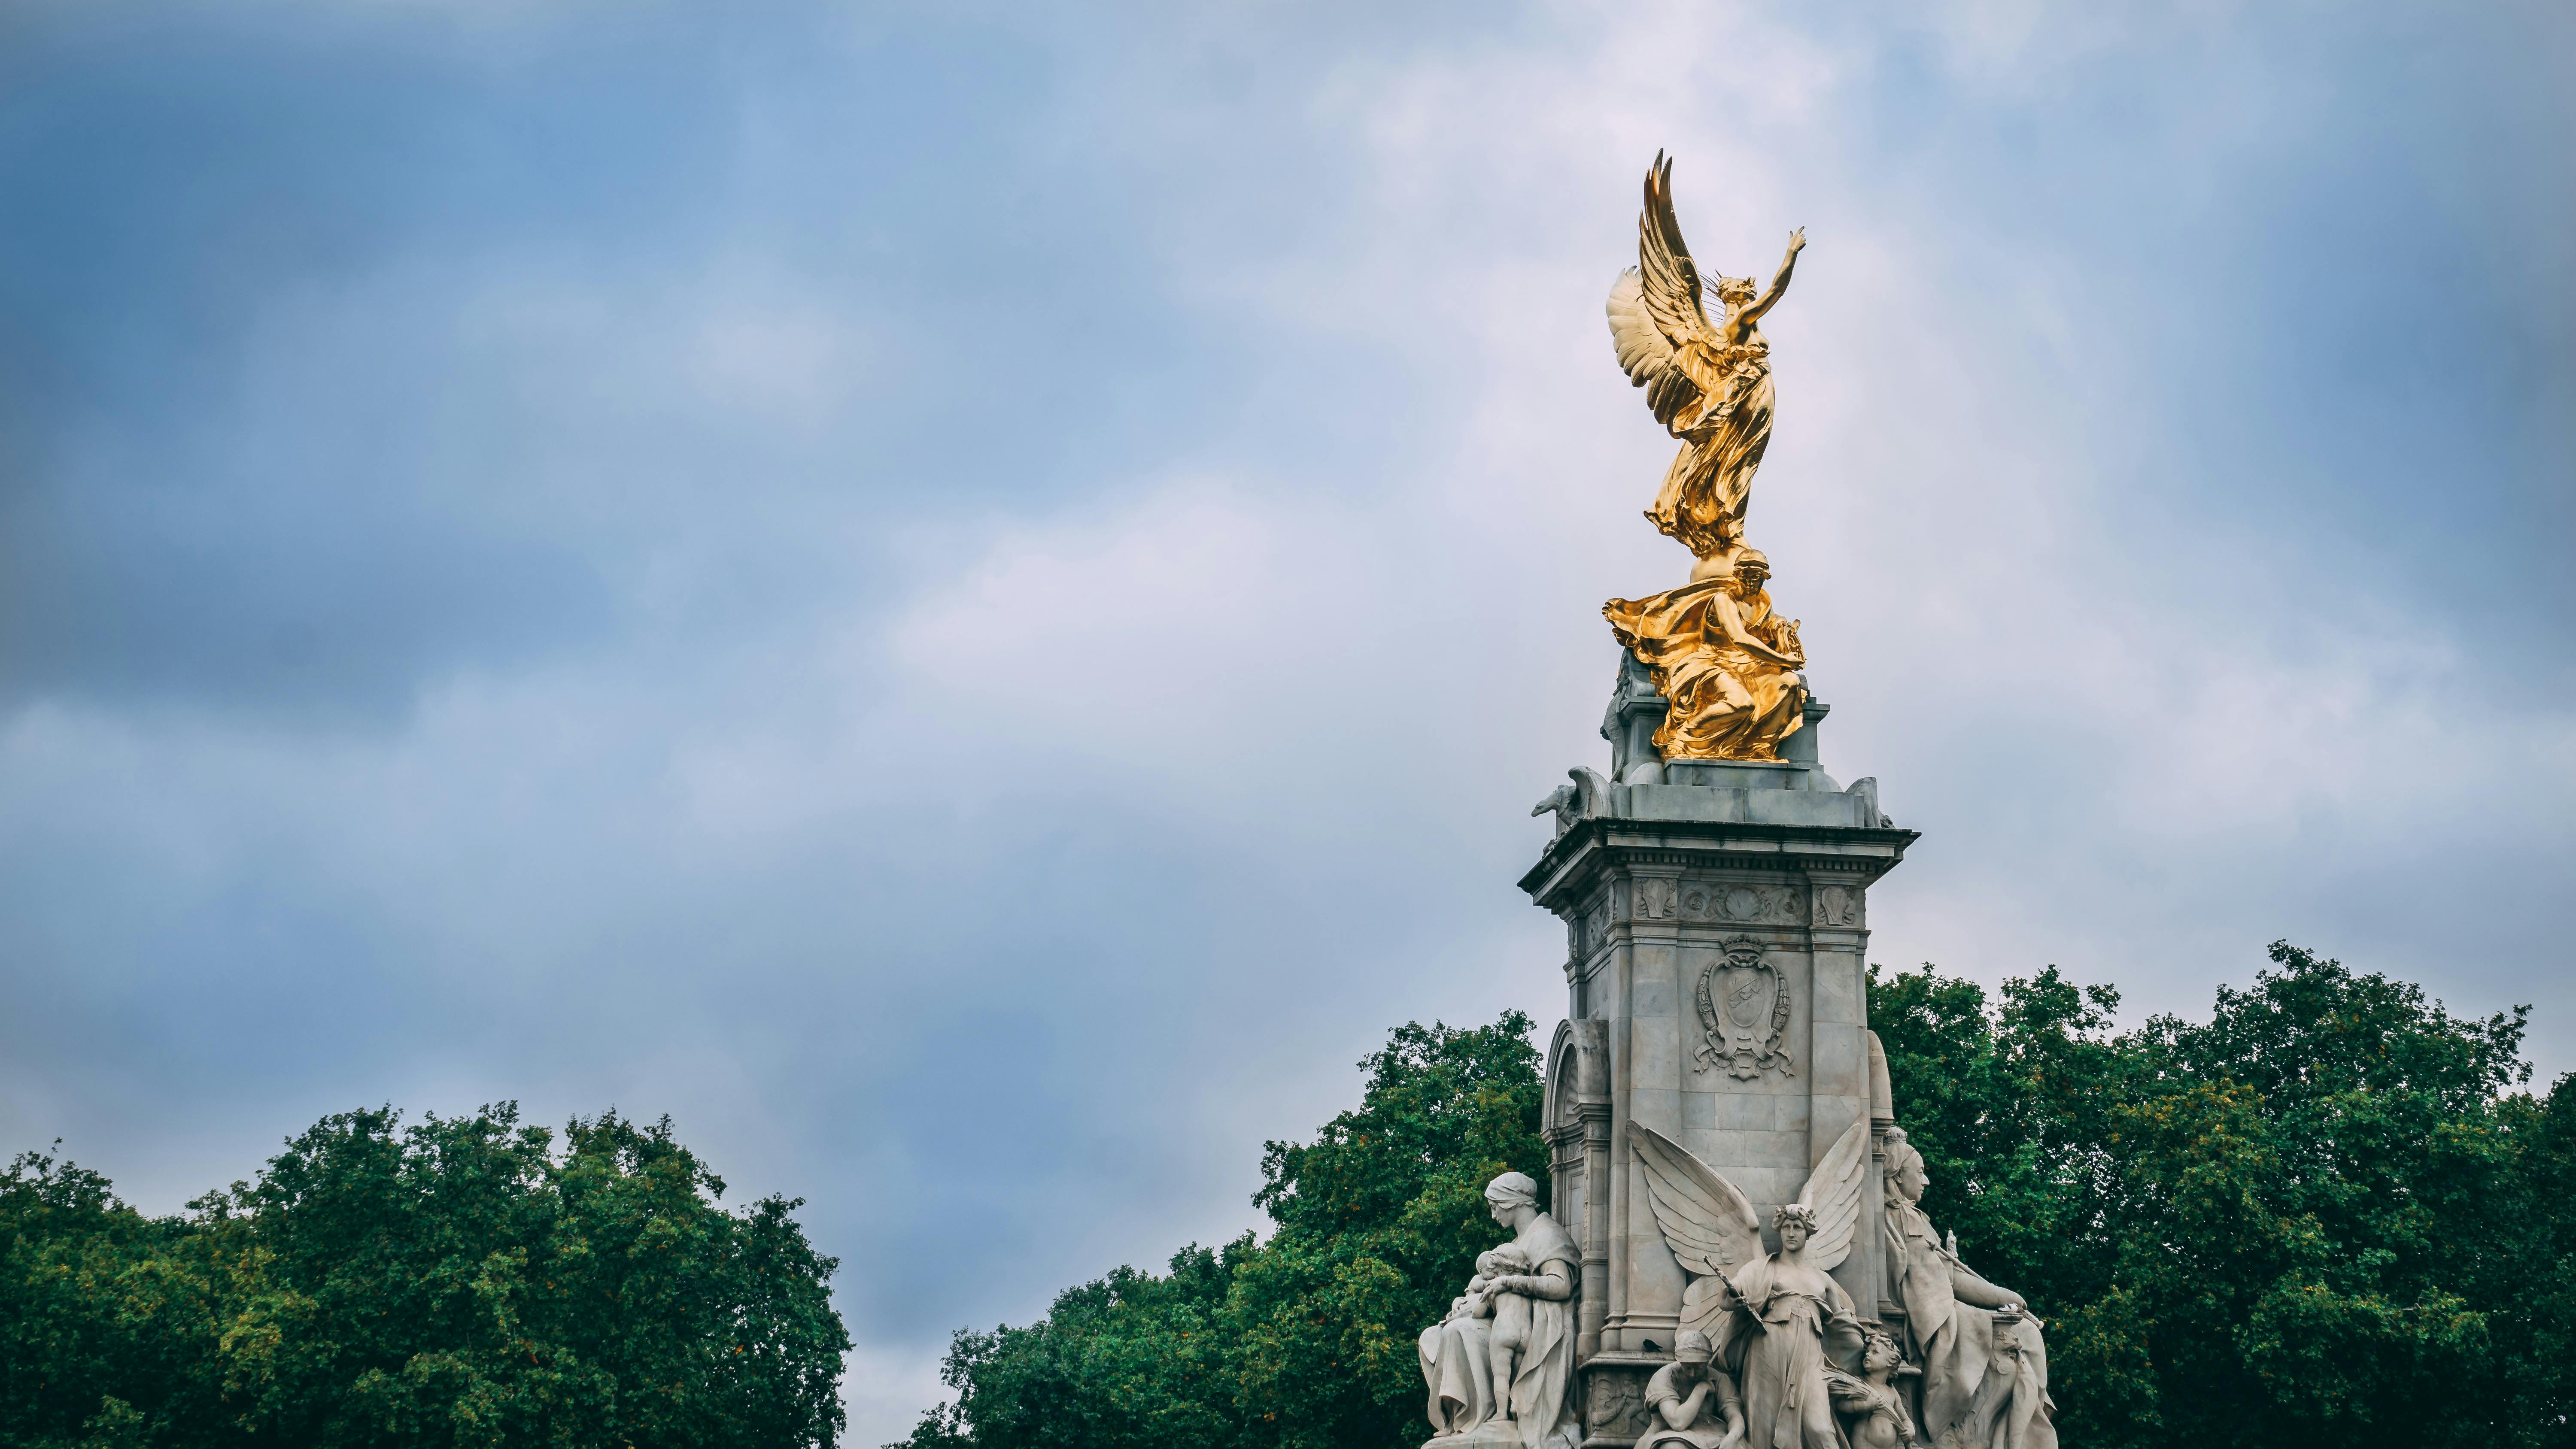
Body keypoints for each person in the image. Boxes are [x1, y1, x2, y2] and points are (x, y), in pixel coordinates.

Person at [1880, 1130, 2055, 1449]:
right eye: (1919, 1172)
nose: (1926, 1181)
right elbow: (1944, 1287)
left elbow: (1947, 1278)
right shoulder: (1901, 1219)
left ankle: (2019, 1437)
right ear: (1897, 1173)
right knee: (2027, 1336)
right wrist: (2003, 1296)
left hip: (1943, 1310)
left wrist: (2003, 1295)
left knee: (2027, 1333)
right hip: (1936, 1318)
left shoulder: (1912, 1218)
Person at [1419, 1173, 1582, 1449]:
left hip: (1536, 1331)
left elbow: (1561, 1286)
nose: (1494, 1215)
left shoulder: (1547, 1235)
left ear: (1511, 1202)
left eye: (1495, 1206)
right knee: (1432, 1336)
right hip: (1508, 1321)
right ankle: (1467, 1422)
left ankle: (1485, 1418)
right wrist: (1466, 1302)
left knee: (1458, 1333)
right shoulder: (1517, 1243)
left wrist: (1509, 1282)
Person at [1602, 548, 1807, 761]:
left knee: (1790, 683)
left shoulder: (1763, 605)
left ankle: (1753, 747)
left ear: (1765, 578)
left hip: (1748, 665)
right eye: (1746, 576)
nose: (1751, 582)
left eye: (1757, 577)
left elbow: (1763, 635)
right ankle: (1681, 740)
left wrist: (1779, 629)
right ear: (1737, 575)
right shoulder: (1724, 600)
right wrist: (1783, 660)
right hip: (1712, 661)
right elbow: (1739, 639)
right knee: (1741, 703)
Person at [1703, 1203, 1865, 1449]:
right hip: (1769, 1347)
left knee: (1819, 1427)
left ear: (1808, 1232)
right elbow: (1728, 1296)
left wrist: (1862, 1345)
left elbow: (1841, 1319)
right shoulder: (1763, 1267)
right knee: (1764, 1423)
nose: (1791, 1233)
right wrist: (1733, 1297)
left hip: (1810, 1355)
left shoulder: (1822, 1278)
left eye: (1797, 1227)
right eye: (1786, 1227)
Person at [1640, 1329, 1746, 1449]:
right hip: (1667, 1432)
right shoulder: (1665, 1377)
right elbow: (1678, 1423)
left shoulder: (1720, 1379)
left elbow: (1734, 1415)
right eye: (1688, 1367)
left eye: (1699, 1367)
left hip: (1711, 1432)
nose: (1693, 1373)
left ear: (1708, 1362)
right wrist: (1701, 1388)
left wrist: (1732, 1437)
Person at [1825, 1325, 1919, 1449]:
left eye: (1875, 1352)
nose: (1868, 1355)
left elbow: (1905, 1418)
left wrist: (1910, 1429)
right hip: (1864, 1442)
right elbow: (1841, 1406)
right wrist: (1866, 1405)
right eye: (1867, 1352)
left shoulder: (1891, 1391)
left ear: (1890, 1362)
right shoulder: (1860, 1383)